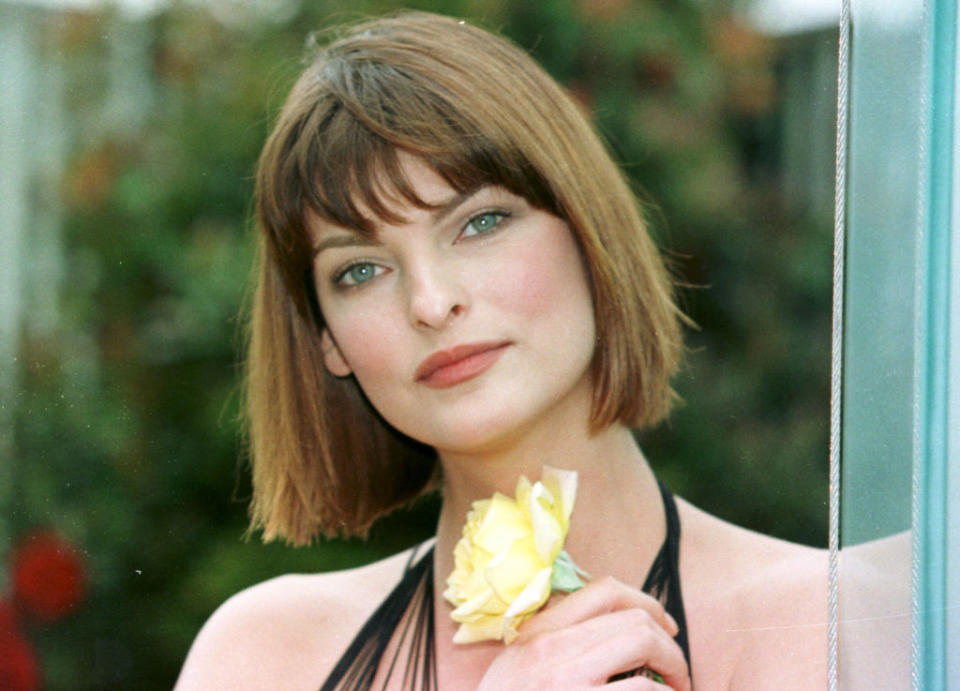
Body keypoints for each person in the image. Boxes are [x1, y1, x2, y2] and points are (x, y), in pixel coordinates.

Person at [176, 11, 826, 689]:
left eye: (479, 223)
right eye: (361, 269)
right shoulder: (265, 659)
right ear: (328, 342)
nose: (430, 303)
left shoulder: (861, 620)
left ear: (586, 228)